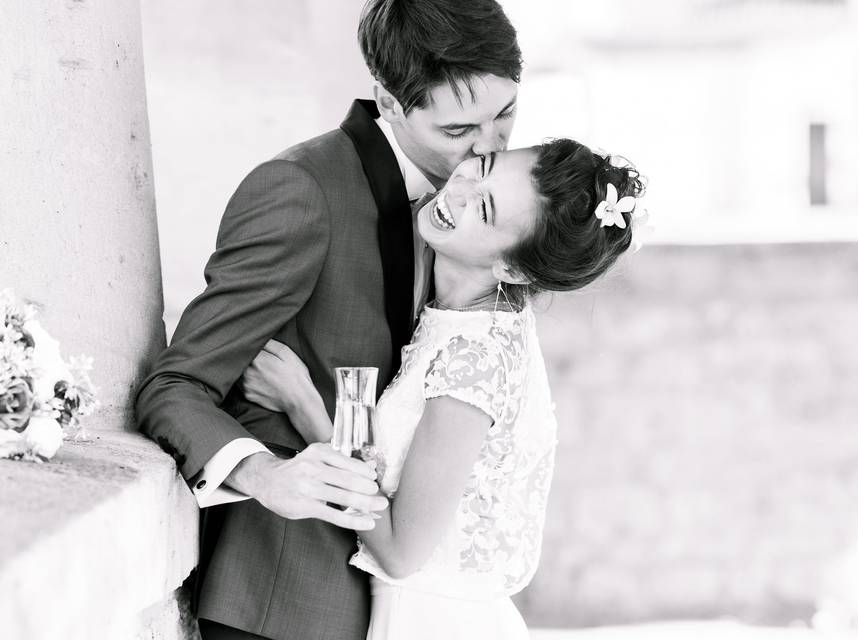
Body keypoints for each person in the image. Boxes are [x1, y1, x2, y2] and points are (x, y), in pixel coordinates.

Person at [135, 1, 523, 638]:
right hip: (283, 599)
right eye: (458, 131)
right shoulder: (299, 191)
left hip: (405, 600)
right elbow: (175, 385)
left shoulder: (484, 210)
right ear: (390, 102)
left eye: (504, 114)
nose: (487, 148)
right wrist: (265, 476)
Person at [240, 140, 648, 639]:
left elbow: (400, 550)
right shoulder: (466, 317)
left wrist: (303, 406)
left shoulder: (472, 360)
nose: (461, 190)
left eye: (484, 207)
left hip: (429, 621)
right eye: (482, 167)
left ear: (513, 268)